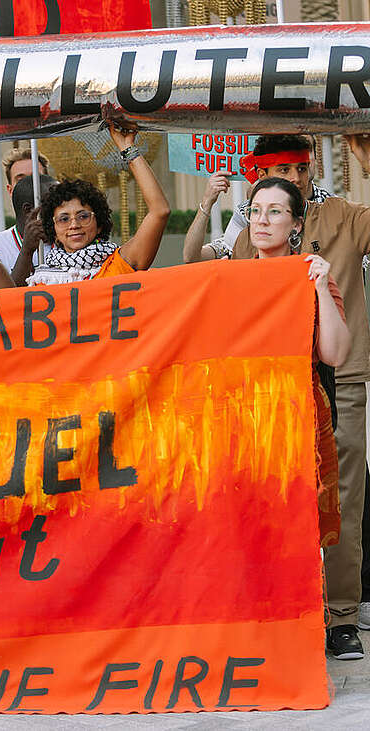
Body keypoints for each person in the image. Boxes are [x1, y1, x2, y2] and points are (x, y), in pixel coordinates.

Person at [233, 133, 370, 660]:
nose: (290, 178)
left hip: (331, 389)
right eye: (258, 208)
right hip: (260, 401)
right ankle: (271, 612)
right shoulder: (241, 253)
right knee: (261, 504)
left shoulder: (344, 218)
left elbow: (334, 349)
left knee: (337, 503)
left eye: (297, 168)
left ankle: (339, 615)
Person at [245, 177, 349, 547]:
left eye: (275, 212)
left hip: (297, 413)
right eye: (255, 211)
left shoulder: (312, 276)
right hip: (242, 417)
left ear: (296, 224)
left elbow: (335, 355)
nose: (262, 220)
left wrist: (321, 287)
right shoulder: (231, 280)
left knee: (298, 524)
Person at [26, 126, 170, 285]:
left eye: (83, 216)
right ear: (53, 230)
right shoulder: (41, 281)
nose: (74, 225)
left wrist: (127, 148)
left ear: (99, 224)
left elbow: (160, 211)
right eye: (64, 219)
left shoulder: (118, 265)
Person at [183, 134, 331, 262]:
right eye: (284, 169)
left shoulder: (334, 209)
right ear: (262, 175)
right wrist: (207, 203)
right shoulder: (246, 212)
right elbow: (193, 257)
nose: (295, 178)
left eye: (301, 168)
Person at [0, 151, 56, 273]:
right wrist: (27, 251)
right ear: (10, 190)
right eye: (21, 180)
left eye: (36, 178)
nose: (30, 185)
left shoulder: (72, 236)